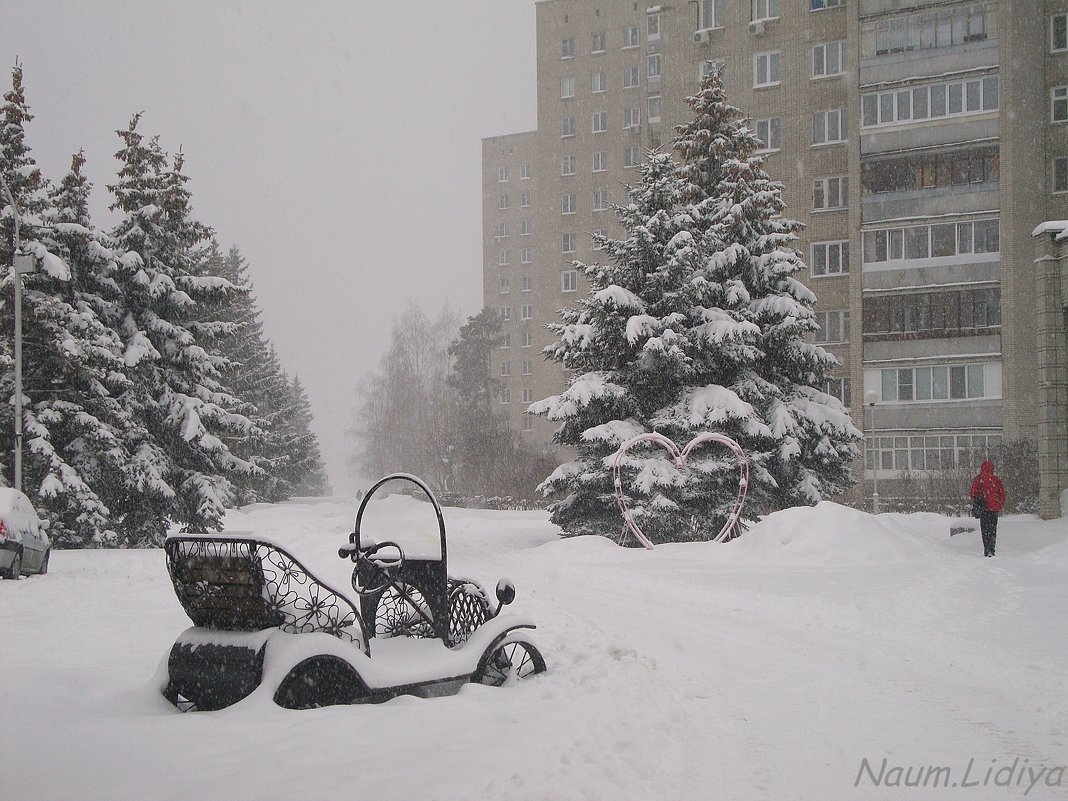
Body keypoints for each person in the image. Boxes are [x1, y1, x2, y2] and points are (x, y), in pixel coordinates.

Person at [970, 460, 1006, 557]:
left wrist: (979, 499)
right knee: (992, 529)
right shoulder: (996, 480)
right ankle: (992, 549)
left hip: (984, 508)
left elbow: (973, 493)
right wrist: (999, 505)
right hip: (994, 509)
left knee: (985, 530)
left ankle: (987, 549)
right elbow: (1002, 494)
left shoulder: (978, 479)